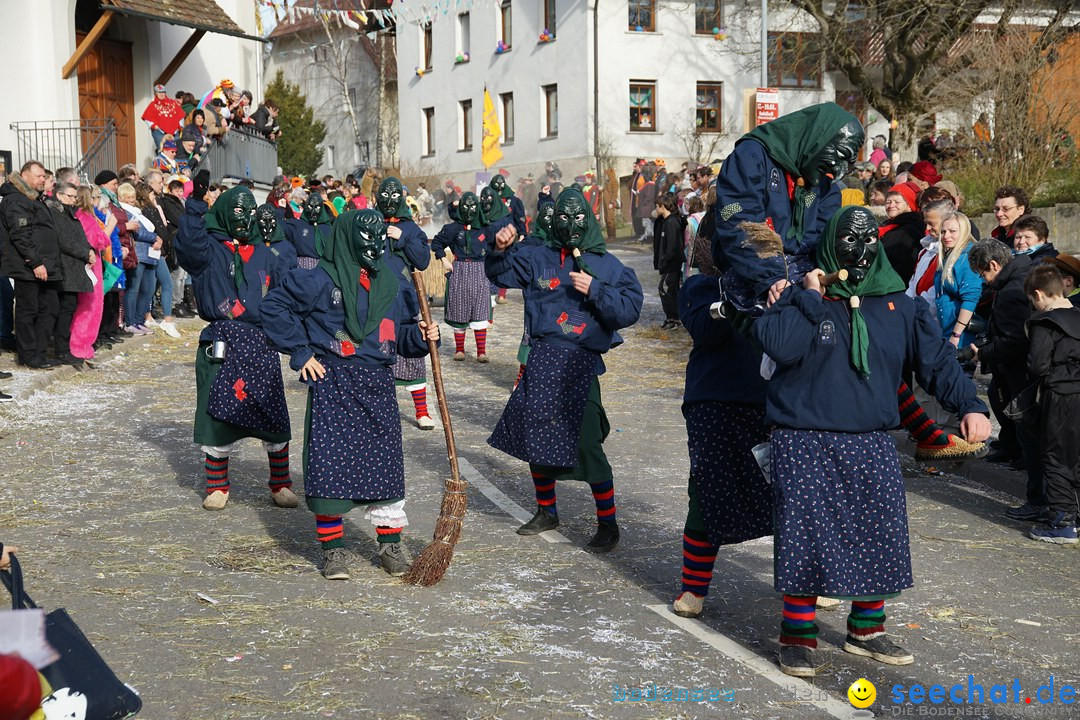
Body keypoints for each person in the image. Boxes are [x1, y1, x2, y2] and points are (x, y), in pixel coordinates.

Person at [753, 205, 990, 677]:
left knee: (877, 535)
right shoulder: (798, 298)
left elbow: (937, 362)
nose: (856, 252)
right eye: (846, 241)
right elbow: (779, 346)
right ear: (828, 248)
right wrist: (812, 295)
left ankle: (867, 628)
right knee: (808, 538)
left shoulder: (899, 305)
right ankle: (798, 635)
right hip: (804, 438)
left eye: (866, 241)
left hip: (870, 439)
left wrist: (971, 406)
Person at [262, 210, 439, 579]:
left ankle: (390, 545)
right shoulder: (319, 278)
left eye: (379, 237)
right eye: (366, 237)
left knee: (385, 469)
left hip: (378, 384)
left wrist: (421, 337)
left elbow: (399, 335)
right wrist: (301, 352)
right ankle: (333, 550)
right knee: (331, 467)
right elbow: (274, 307)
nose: (375, 244)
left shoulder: (391, 282)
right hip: (335, 382)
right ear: (346, 239)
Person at [486, 187, 643, 553]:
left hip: (580, 362)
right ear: (553, 221)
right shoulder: (537, 256)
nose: (570, 224)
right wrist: (498, 247)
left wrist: (597, 289)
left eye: (577, 218)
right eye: (563, 218)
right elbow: (500, 274)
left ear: (587, 220)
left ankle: (608, 523)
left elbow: (629, 310)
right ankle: (547, 511)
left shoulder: (605, 264)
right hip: (542, 358)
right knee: (536, 440)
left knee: (587, 444)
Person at [175, 172, 298, 512]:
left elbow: (286, 294)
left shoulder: (266, 253)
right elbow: (187, 245)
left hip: (261, 341)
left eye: (250, 212)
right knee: (218, 414)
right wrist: (196, 205)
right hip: (222, 340)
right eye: (238, 212)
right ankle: (217, 486)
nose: (245, 219)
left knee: (273, 413)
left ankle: (281, 484)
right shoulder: (209, 248)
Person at [671, 237, 770, 619]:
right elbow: (704, 329)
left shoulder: (770, 286)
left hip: (765, 401)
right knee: (707, 492)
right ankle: (694, 588)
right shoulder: (699, 287)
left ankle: (805, 579)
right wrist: (732, 297)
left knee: (786, 493)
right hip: (712, 403)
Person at [965, 240, 1042, 520]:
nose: (983, 280)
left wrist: (983, 352)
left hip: (1021, 375)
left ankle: (1039, 501)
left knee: (1031, 439)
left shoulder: (1010, 291)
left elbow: (1014, 340)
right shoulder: (1027, 272)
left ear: (994, 266)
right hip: (1033, 372)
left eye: (982, 274)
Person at [1024, 265, 1080, 544]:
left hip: (1061, 396)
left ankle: (1062, 519)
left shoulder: (1045, 323)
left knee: (1056, 456)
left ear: (1038, 294)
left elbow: (1037, 366)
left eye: (1033, 300)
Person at [376, 176, 436, 430]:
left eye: (394, 196)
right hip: (377, 302)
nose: (389, 202)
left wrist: (403, 238)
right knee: (379, 357)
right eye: (384, 196)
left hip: (405, 300)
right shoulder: (371, 222)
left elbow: (422, 261)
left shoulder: (412, 228)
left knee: (412, 360)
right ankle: (381, 411)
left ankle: (421, 410)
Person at [432, 191, 510, 362]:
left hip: (480, 271)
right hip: (459, 270)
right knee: (459, 310)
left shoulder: (486, 229)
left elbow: (497, 247)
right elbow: (437, 243)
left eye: (472, 206)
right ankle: (459, 350)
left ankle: (481, 351)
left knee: (480, 310)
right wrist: (444, 259)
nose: (469, 210)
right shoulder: (452, 229)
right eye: (465, 206)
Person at [0, 161, 63, 369]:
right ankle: (29, 356)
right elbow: (21, 235)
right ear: (24, 176)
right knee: (28, 311)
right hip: (28, 267)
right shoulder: (16, 200)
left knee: (50, 307)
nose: (43, 180)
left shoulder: (34, 198)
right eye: (38, 176)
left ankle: (39, 352)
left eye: (44, 177)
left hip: (46, 265)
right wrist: (35, 262)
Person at [45, 181, 93, 369]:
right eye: (70, 196)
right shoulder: (55, 213)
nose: (73, 200)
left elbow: (79, 237)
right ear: (58, 195)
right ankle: (61, 349)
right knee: (64, 309)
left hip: (74, 266)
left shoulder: (68, 213)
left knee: (68, 308)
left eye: (75, 197)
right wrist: (85, 252)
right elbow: (63, 240)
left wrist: (88, 250)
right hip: (65, 267)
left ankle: (64, 348)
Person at [71, 186, 110, 361]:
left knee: (85, 305)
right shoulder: (86, 217)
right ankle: (81, 345)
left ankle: (81, 343)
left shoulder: (76, 215)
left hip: (85, 265)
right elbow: (99, 240)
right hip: (91, 266)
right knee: (91, 306)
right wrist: (108, 229)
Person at [934, 212, 982, 350]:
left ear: (964, 231)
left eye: (952, 231)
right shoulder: (949, 255)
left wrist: (956, 335)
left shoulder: (966, 258)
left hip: (962, 336)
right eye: (943, 232)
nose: (946, 236)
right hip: (948, 329)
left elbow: (971, 298)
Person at [879, 182, 924, 283]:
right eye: (888, 202)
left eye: (897, 202)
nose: (891, 205)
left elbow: (905, 264)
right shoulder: (886, 226)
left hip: (894, 283)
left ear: (909, 206)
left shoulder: (910, 230)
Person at [653, 192, 685, 329]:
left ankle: (674, 318)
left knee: (665, 289)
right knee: (668, 290)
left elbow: (672, 246)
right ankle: (671, 317)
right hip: (668, 264)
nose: (656, 209)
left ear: (663, 207)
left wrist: (665, 259)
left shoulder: (671, 222)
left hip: (671, 264)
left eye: (657, 206)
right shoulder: (665, 222)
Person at [284, 192, 333, 269]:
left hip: (322, 271)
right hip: (299, 269)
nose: (313, 211)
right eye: (310, 207)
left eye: (317, 208)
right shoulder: (296, 225)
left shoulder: (329, 229)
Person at [141, 83, 185, 152]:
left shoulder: (172, 103)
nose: (161, 94)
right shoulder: (153, 105)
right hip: (160, 133)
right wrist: (153, 126)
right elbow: (147, 117)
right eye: (159, 92)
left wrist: (181, 126)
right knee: (162, 151)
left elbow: (180, 115)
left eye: (163, 92)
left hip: (174, 133)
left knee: (176, 152)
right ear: (155, 93)